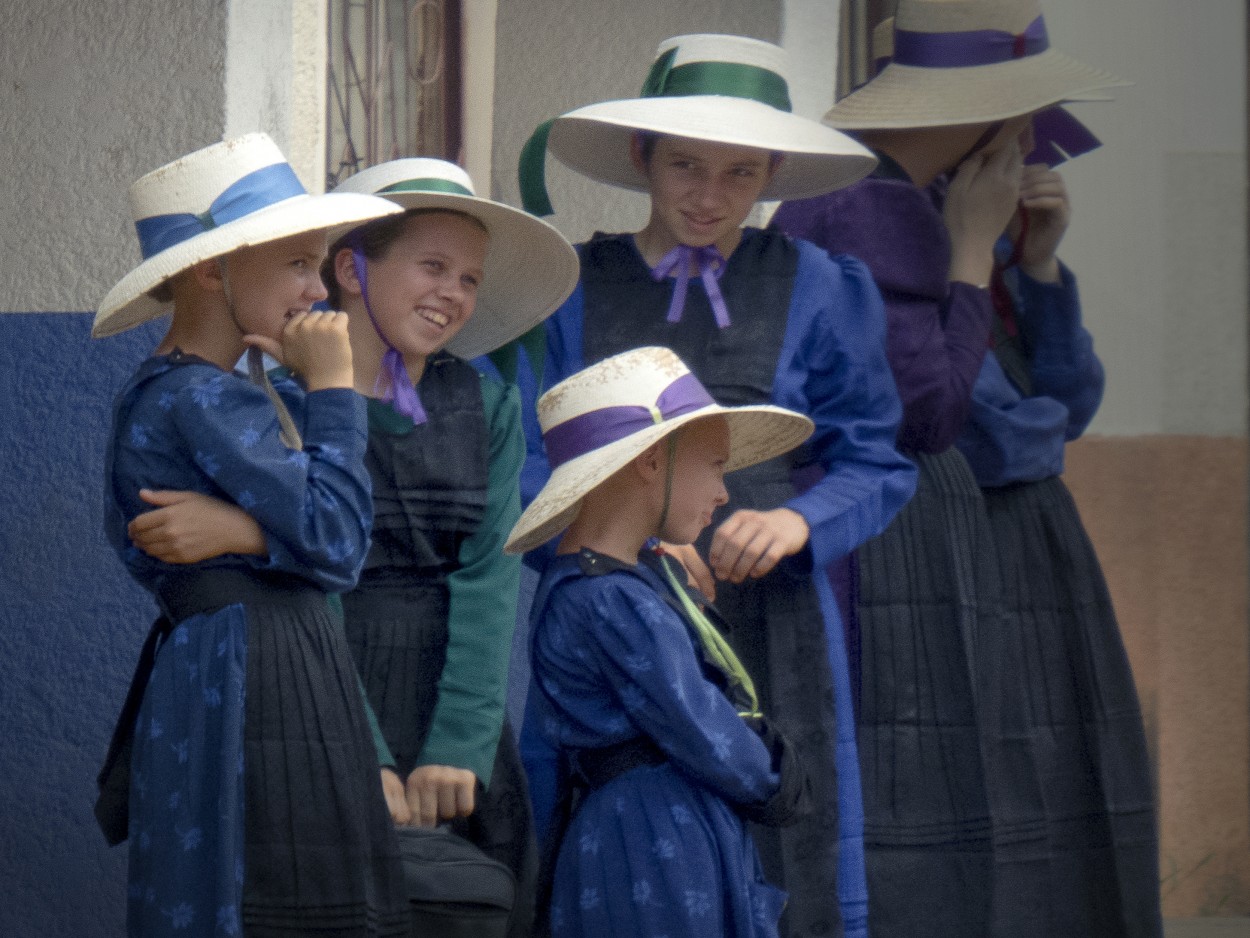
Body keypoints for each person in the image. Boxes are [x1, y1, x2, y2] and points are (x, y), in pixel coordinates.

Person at [772, 3, 1161, 936]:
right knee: (935, 795)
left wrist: (1038, 269)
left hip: (1008, 554)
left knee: (1029, 795)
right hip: (912, 546)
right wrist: (967, 253)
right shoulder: (870, 210)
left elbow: (1066, 405)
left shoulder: (947, 206)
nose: (1033, 140)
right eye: (1024, 112)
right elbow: (950, 420)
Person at [517, 33, 918, 938]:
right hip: (609, 609)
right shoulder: (576, 288)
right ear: (640, 157)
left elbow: (878, 457)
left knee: (784, 824)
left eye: (741, 174)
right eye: (687, 166)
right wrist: (611, 551)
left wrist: (797, 522)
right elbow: (531, 468)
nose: (709, 195)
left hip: (766, 612)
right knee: (617, 836)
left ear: (773, 172)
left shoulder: (818, 285)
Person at [124, 157, 580, 937]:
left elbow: (488, 579)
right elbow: (308, 579)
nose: (454, 295)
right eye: (431, 266)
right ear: (351, 269)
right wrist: (357, 753)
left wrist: (461, 744)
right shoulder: (275, 404)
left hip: (449, 702)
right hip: (312, 690)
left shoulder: (490, 404)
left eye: (469, 279)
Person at [94, 133, 411, 937]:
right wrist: (336, 385)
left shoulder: (212, 393)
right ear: (213, 268)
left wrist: (244, 531)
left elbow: (317, 531)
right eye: (298, 264)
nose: (318, 289)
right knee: (269, 900)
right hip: (254, 675)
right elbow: (338, 541)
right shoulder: (204, 400)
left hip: (248, 662)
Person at [507, 345, 815, 938]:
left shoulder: (603, 584)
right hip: (651, 844)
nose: (725, 493)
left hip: (644, 828)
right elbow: (701, 726)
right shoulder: (612, 601)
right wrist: (777, 777)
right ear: (650, 460)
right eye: (715, 466)